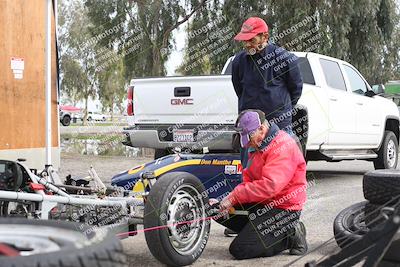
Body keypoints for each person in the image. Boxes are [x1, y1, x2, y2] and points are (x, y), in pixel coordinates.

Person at [215, 109, 308, 260]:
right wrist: (226, 200)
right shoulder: (259, 143)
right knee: (215, 209)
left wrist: (235, 196)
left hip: (282, 208)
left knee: (240, 249)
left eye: (249, 137)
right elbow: (250, 181)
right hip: (263, 203)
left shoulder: (282, 146)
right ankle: (260, 234)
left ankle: (290, 233)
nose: (246, 143)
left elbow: (270, 186)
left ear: (262, 129)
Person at [231, 17, 303, 166]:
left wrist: (281, 109)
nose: (247, 44)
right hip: (249, 127)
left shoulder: (285, 58)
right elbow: (239, 89)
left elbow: (295, 90)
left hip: (279, 124)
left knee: (281, 170)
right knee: (249, 171)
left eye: (251, 39)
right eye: (244, 40)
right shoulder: (239, 61)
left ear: (265, 37)